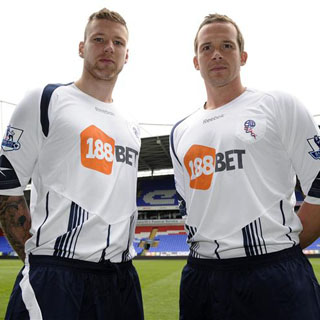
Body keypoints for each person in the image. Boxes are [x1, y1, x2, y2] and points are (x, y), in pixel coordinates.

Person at [170, 13, 320, 320]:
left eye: (227, 45)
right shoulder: (180, 132)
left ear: (243, 55)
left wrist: (284, 246)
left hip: (274, 275)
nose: (216, 53)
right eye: (206, 47)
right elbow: (188, 206)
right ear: (196, 61)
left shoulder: (277, 105)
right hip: (203, 277)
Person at [0, 8, 144, 320]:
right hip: (57, 274)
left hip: (121, 278)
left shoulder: (131, 126)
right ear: (82, 47)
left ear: (126, 55)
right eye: (99, 39)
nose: (108, 47)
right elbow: (5, 182)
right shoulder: (46, 99)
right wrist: (38, 260)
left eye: (118, 43)